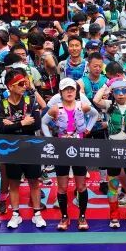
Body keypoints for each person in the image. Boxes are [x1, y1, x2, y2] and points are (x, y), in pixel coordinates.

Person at [42, 78, 99, 231]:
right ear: (60, 92)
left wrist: (88, 128)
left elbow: (95, 114)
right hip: (61, 149)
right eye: (66, 89)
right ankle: (64, 216)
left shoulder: (82, 105)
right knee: (62, 186)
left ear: (76, 91)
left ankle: (82, 216)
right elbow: (43, 122)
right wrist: (50, 139)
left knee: (81, 185)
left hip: (79, 148)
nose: (69, 92)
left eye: (72, 89)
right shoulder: (56, 108)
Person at [0, 69, 46, 229]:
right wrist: (23, 123)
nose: (25, 86)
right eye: (21, 83)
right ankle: (16, 214)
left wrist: (13, 125)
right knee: (14, 183)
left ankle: (37, 214)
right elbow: (2, 129)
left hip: (31, 147)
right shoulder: (1, 104)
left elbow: (36, 124)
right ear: (10, 86)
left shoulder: (30, 101)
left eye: (25, 82)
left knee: (34, 182)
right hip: (12, 149)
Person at [94, 76, 126, 229]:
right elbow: (96, 100)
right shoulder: (109, 105)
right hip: (113, 150)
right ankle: (114, 216)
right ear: (113, 93)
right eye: (117, 91)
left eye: (123, 90)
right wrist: (106, 84)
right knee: (113, 184)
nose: (120, 94)